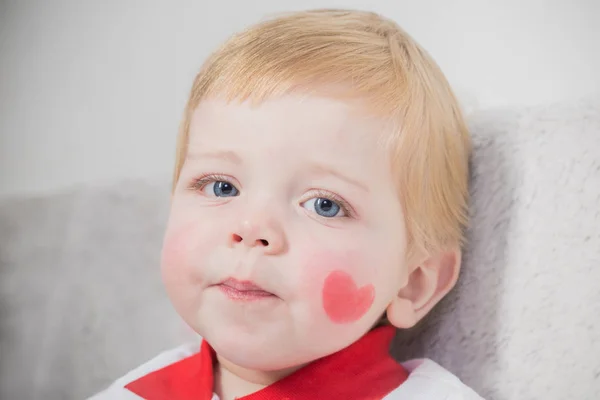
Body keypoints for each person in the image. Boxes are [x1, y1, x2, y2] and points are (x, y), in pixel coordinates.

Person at [91, 8, 483, 399]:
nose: (251, 228)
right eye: (221, 187)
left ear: (413, 282)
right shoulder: (133, 391)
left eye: (324, 205)